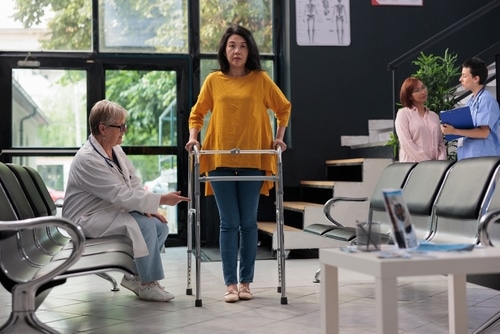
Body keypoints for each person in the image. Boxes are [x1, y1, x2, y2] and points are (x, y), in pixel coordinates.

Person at [185, 25, 291, 303]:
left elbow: (283, 108)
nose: (237, 51)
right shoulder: (213, 81)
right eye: (232, 45)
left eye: (242, 46)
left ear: (249, 50)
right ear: (224, 50)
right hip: (219, 158)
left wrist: (279, 139)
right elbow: (197, 114)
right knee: (228, 223)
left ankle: (246, 283)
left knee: (248, 223)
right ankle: (230, 285)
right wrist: (194, 139)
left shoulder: (260, 79)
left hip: (253, 157)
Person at [62, 99, 190, 302]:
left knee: (159, 226)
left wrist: (150, 207)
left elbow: (133, 182)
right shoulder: (87, 159)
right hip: (86, 218)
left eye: (125, 125)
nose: (124, 130)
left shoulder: (115, 149)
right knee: (145, 227)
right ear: (103, 128)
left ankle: (134, 276)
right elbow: (120, 194)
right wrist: (160, 200)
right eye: (120, 126)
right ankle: (147, 284)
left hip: (109, 210)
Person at [441, 57, 500, 160]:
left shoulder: (486, 100)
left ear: (476, 79)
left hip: (482, 157)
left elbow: (484, 132)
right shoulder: (470, 102)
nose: (460, 79)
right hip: (467, 156)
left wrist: (454, 131)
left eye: (464, 76)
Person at [395, 77, 447, 162]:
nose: (423, 92)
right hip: (413, 166)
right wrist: (426, 162)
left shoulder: (434, 116)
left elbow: (440, 142)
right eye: (417, 90)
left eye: (423, 87)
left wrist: (440, 162)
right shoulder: (403, 114)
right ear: (409, 96)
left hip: (436, 167)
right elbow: (406, 143)